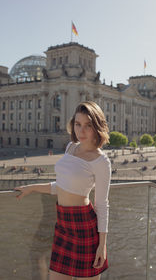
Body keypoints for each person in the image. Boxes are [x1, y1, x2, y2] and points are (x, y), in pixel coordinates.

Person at [14, 101, 111, 280]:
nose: (81, 131)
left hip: (84, 225)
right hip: (63, 224)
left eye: (88, 126)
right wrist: (33, 187)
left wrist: (102, 245)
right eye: (77, 124)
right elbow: (62, 186)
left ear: (97, 126)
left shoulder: (101, 161)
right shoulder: (71, 147)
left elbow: (102, 205)